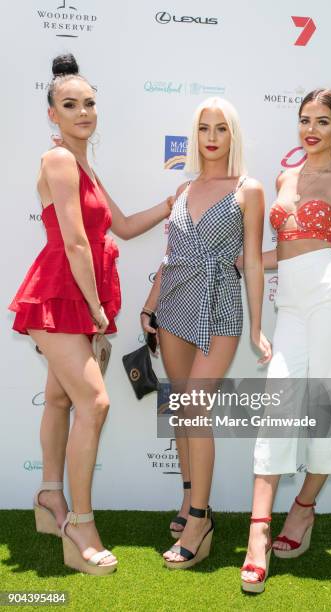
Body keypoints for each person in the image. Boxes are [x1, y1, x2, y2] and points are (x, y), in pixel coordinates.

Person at [8, 54, 173, 575]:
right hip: (60, 291)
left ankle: (49, 497)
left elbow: (120, 227)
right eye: (70, 105)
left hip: (81, 294)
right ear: (52, 114)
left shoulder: (85, 167)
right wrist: (100, 311)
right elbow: (78, 244)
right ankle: (78, 522)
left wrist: (174, 202)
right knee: (95, 403)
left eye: (90, 103)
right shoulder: (57, 161)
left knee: (60, 398)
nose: (83, 112)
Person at [240, 88, 331, 593]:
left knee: (324, 413)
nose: (311, 129)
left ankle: (302, 510)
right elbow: (283, 250)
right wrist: (247, 262)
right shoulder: (283, 178)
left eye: (323, 121)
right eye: (304, 120)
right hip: (290, 309)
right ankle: (258, 536)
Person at [141, 97, 272, 569]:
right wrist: (150, 304)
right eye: (203, 128)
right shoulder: (182, 188)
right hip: (174, 302)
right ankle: (188, 497)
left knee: (196, 406)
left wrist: (257, 327)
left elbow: (253, 262)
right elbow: (170, 255)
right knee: (182, 408)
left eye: (221, 128)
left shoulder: (248, 190)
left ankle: (200, 521)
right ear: (194, 136)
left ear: (233, 135)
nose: (212, 137)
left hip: (219, 305)